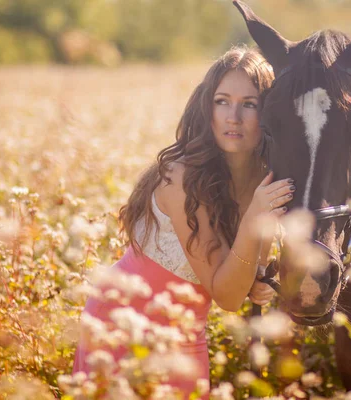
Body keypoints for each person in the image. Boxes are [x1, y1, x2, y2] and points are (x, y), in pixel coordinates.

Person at [72, 46, 295, 398]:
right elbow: (227, 296)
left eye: (249, 104)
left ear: (268, 114)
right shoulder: (182, 177)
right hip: (122, 323)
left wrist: (259, 281)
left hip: (187, 330)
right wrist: (253, 221)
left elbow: (245, 276)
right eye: (222, 101)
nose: (232, 116)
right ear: (207, 108)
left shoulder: (264, 178)